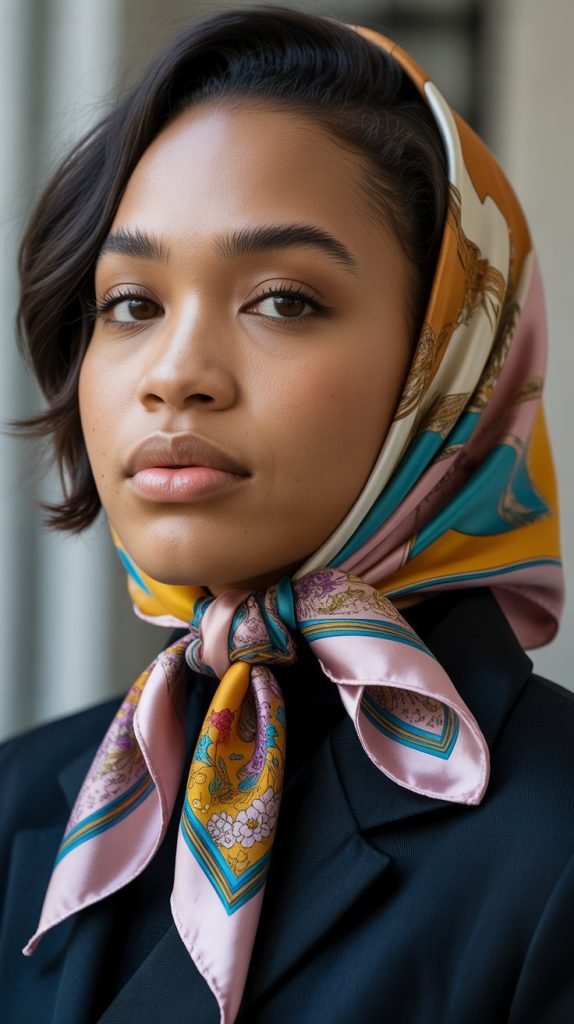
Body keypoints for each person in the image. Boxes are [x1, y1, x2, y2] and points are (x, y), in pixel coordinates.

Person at [1, 5, 572, 1023]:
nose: (176, 375)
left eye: (284, 300)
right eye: (131, 303)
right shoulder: (18, 801)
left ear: (448, 362)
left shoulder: (552, 841)